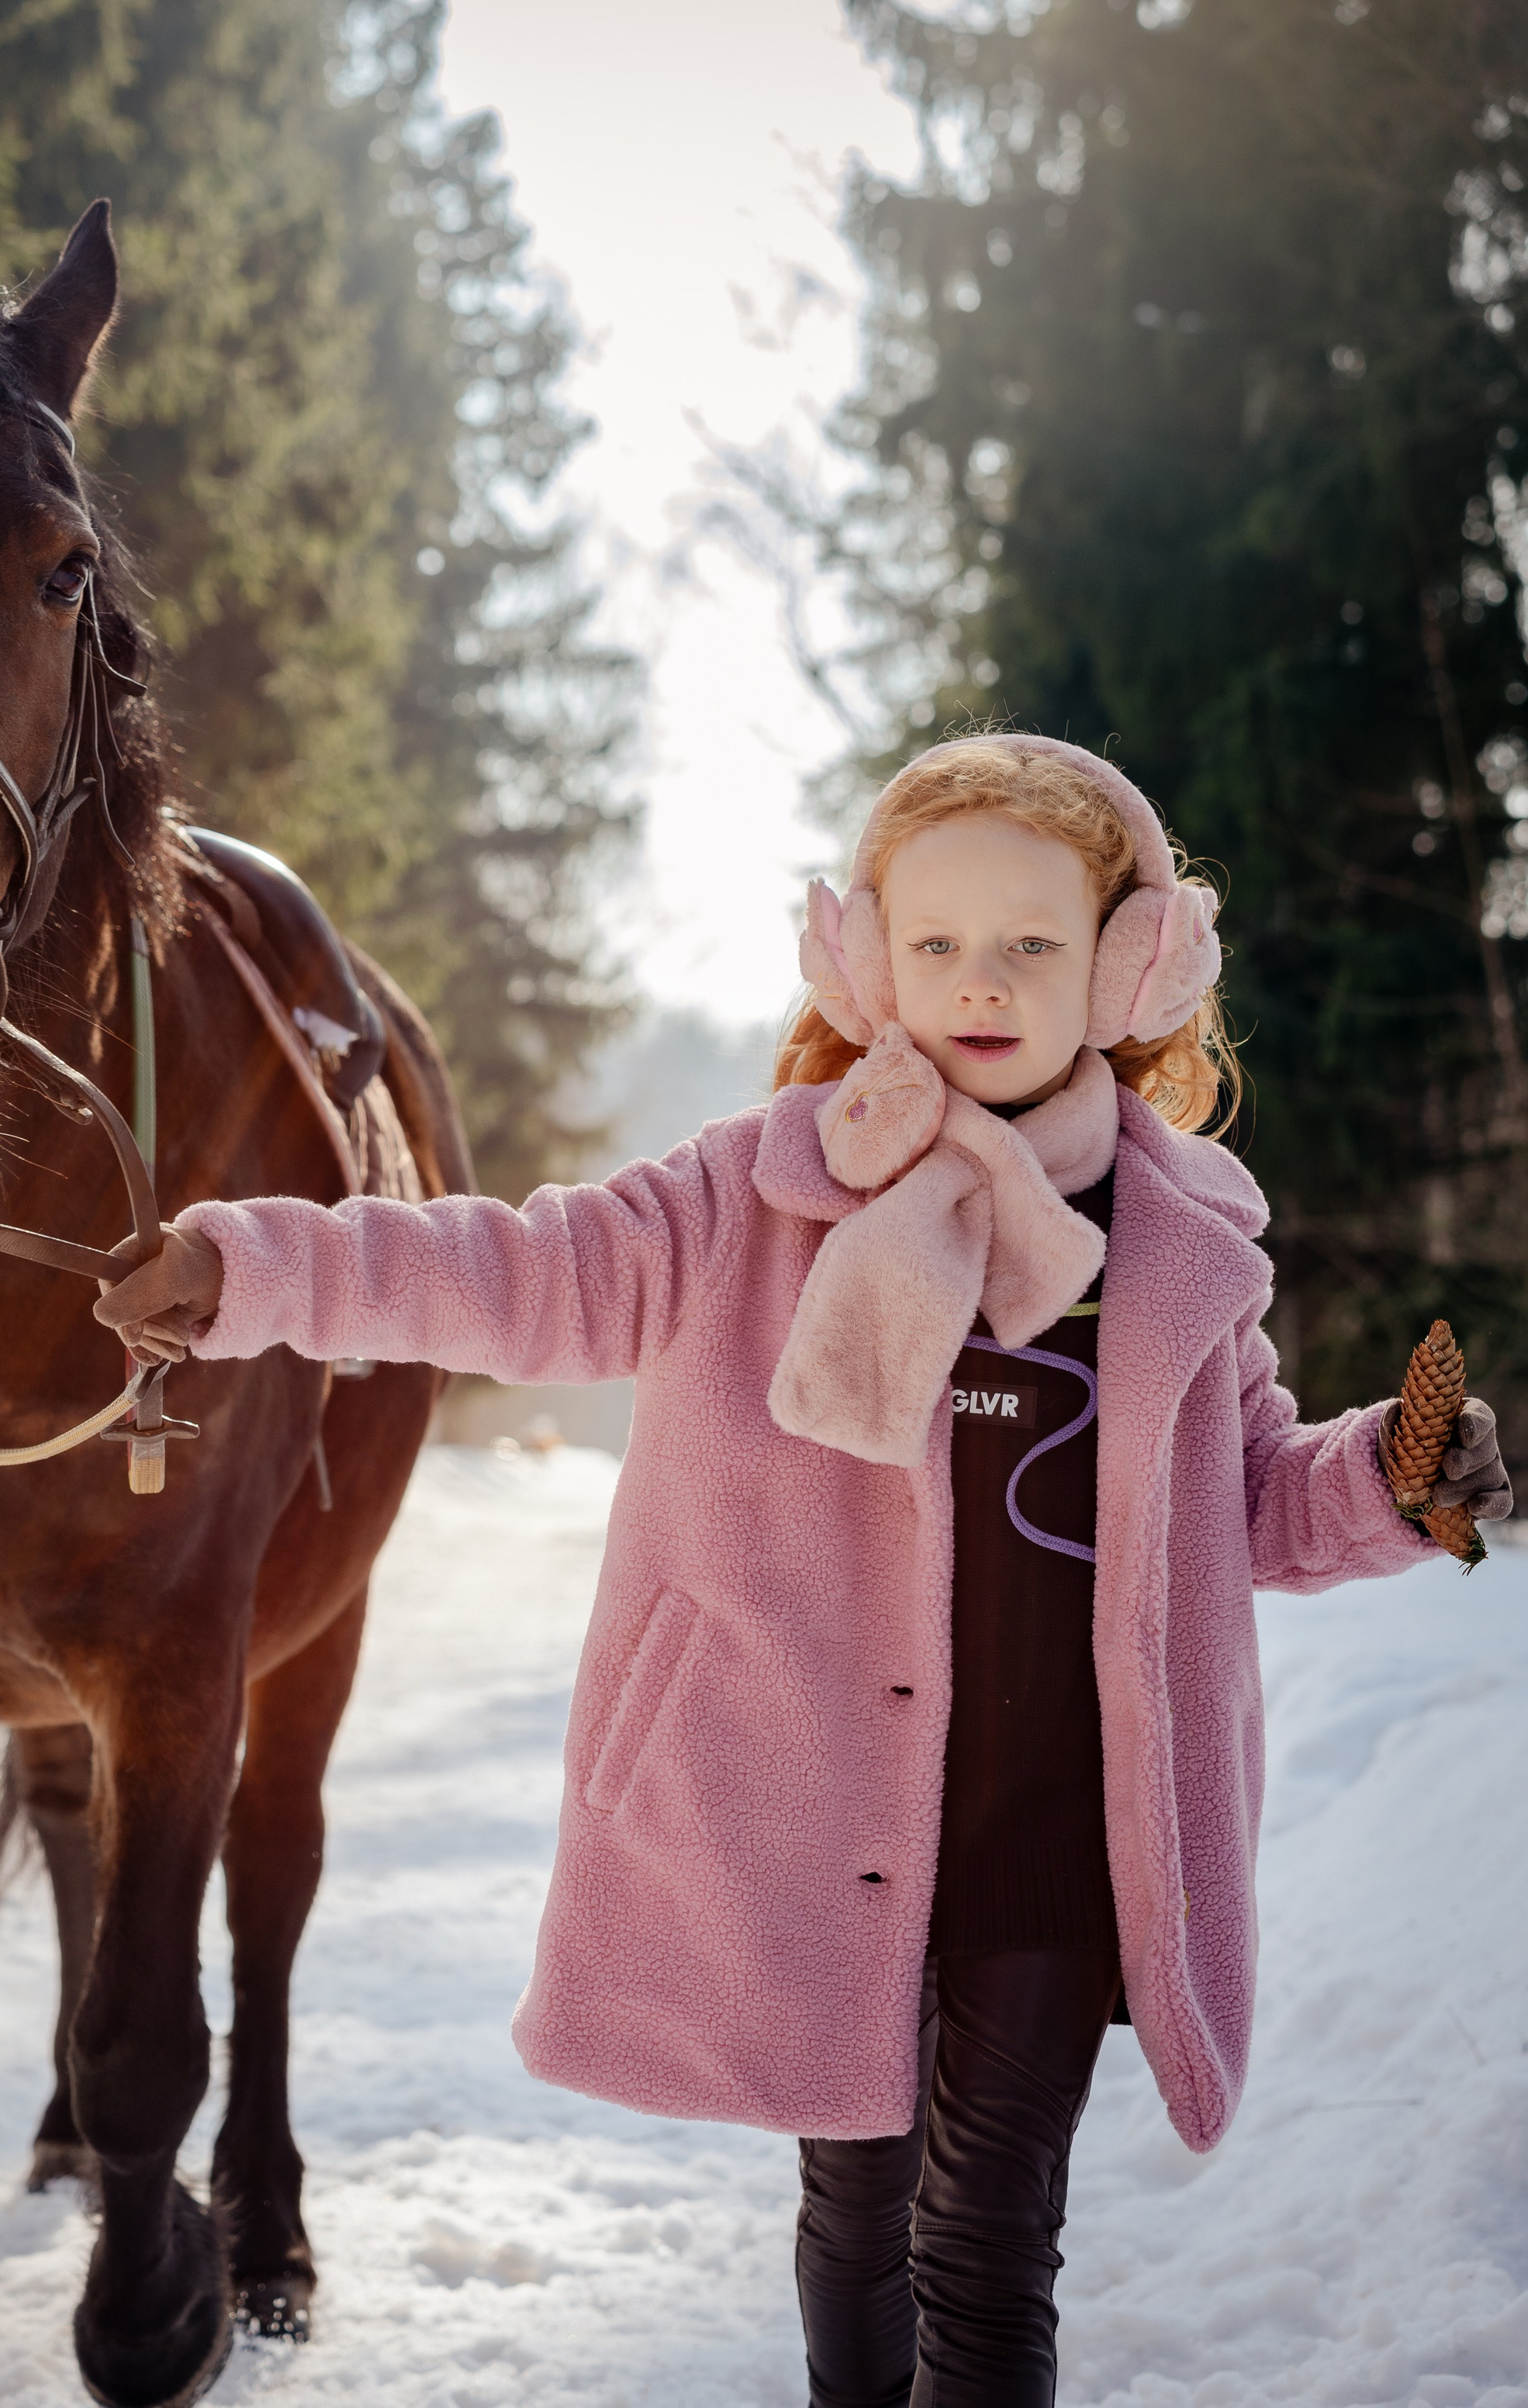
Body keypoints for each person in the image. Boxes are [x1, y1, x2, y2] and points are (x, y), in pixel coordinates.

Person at [94, 735, 1512, 2407]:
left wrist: (1389, 1478)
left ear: (1127, 965)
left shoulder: (1179, 1247)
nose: (981, 981)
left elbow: (1248, 1502)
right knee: (854, 2216)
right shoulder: (754, 1194)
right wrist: (249, 1269)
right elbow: (514, 1270)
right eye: (937, 942)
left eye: (1032, 942)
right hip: (814, 1807)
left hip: (1056, 1832)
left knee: (990, 2235)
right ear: (870, 962)